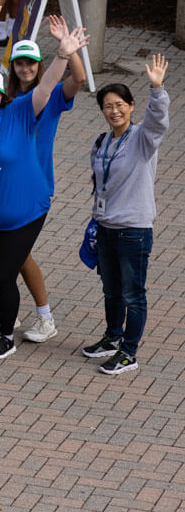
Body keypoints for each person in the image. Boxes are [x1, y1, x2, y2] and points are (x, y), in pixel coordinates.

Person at [0, 35, 77, 361]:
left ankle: (6, 336)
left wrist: (62, 55)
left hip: (24, 213)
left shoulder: (18, 113)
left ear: (1, 95)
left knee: (4, 273)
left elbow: (46, 87)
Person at [0, 18, 87, 343]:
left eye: (31, 63)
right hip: (2, 188)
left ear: (39, 65)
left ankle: (45, 317)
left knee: (18, 253)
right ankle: (15, 312)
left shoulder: (49, 98)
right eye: (19, 62)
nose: (25, 68)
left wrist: (68, 48)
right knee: (9, 252)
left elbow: (77, 79)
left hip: (34, 190)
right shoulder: (3, 99)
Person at [83, 53, 168, 375]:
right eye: (108, 106)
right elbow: (100, 185)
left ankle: (128, 353)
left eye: (120, 104)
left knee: (134, 294)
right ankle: (111, 337)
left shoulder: (143, 139)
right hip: (106, 227)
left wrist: (157, 90)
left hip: (133, 230)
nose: (114, 110)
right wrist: (94, 221)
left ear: (131, 106)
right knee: (111, 290)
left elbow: (159, 121)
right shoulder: (102, 141)